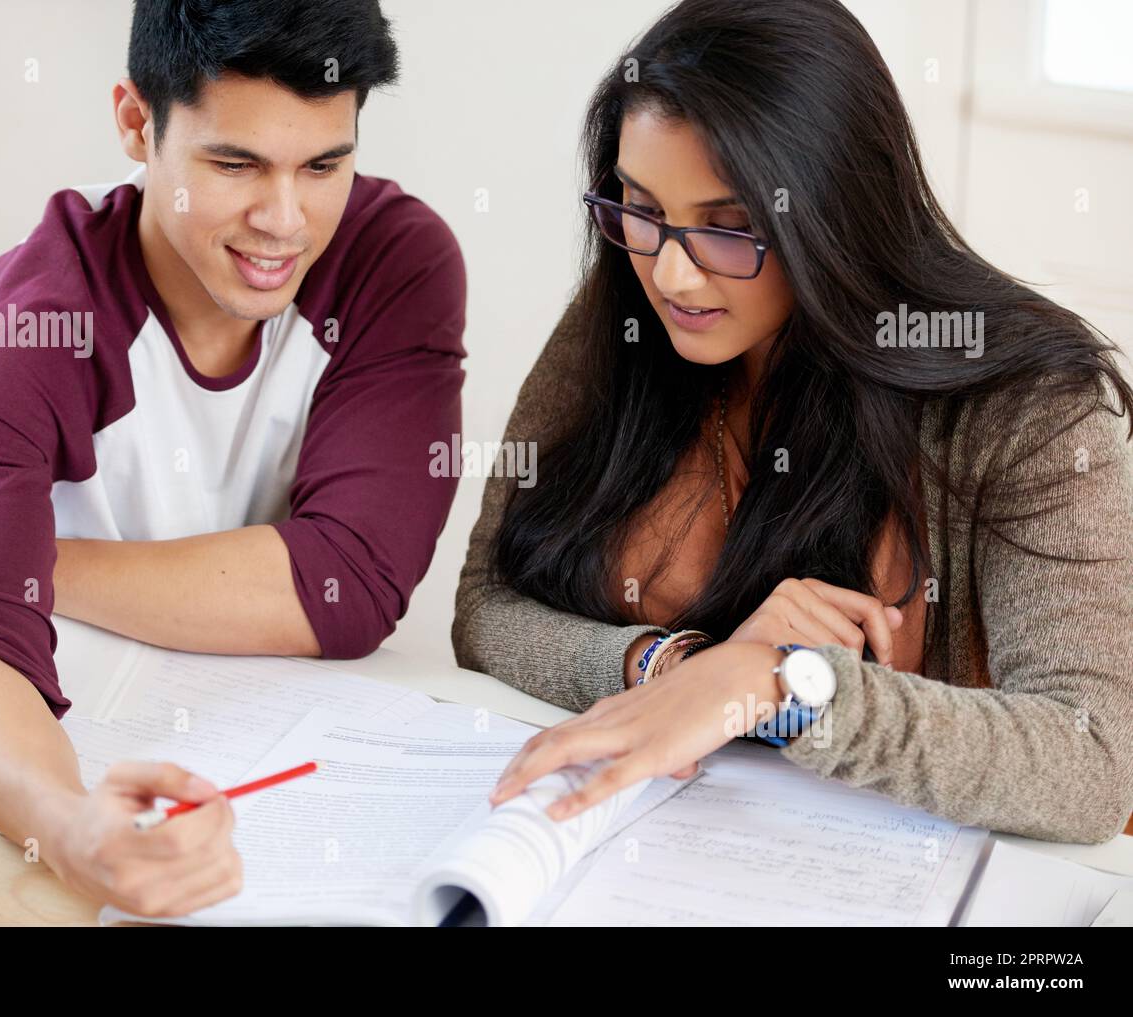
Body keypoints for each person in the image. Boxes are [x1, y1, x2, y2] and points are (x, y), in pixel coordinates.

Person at [454, 0, 1133, 843]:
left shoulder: (1028, 404)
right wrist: (673, 667)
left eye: (730, 227)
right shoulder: (626, 309)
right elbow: (484, 607)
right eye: (639, 204)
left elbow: (1094, 763)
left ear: (837, 212)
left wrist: (783, 684)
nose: (671, 272)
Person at [0, 0, 466, 917]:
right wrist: (64, 829)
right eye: (235, 163)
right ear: (138, 124)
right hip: (77, 743)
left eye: (324, 165)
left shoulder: (394, 263)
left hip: (304, 772)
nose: (284, 220)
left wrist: (21, 567)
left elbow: (349, 585)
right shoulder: (18, 329)